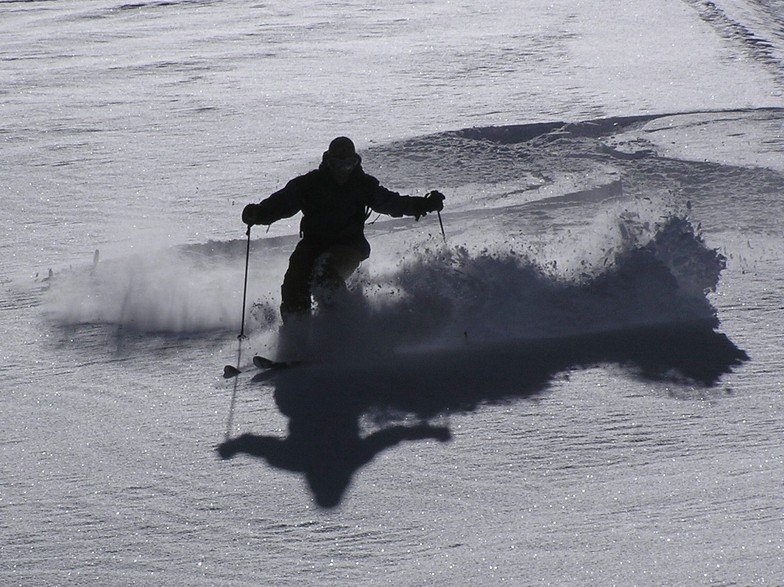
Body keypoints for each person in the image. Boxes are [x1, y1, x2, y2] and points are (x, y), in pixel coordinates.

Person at [242, 136, 445, 322]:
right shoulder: (309, 185)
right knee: (296, 279)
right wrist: (259, 213)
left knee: (326, 273)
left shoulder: (363, 185)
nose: (342, 170)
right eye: (336, 164)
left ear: (355, 162)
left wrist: (423, 204)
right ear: (327, 161)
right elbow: (283, 203)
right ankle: (297, 339)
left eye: (348, 164)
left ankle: (341, 329)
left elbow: (391, 203)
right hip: (313, 244)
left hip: (350, 245)